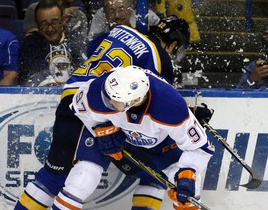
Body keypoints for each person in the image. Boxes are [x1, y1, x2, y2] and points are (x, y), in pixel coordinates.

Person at [14, 16, 213, 210]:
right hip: (98, 107)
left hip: (82, 98)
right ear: (173, 44)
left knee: (149, 173)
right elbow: (156, 98)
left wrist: (189, 115)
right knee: (69, 177)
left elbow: (92, 50)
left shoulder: (121, 30)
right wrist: (102, 127)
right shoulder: (157, 56)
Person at [52, 66, 214, 210]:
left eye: (115, 100)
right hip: (115, 133)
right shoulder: (98, 89)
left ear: (136, 100)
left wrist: (188, 172)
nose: (108, 101)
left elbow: (200, 148)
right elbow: (81, 109)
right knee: (83, 177)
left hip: (159, 141)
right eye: (109, 96)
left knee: (189, 191)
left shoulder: (170, 106)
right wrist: (102, 129)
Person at [18, 0, 87, 86]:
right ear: (37, 25)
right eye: (44, 24)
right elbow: (33, 75)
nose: (50, 29)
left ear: (62, 21)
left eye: (54, 22)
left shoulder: (75, 40)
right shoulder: (30, 44)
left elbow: (83, 71)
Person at [88, 0, 160, 41]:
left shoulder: (145, 15)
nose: (117, 15)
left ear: (131, 7)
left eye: (121, 9)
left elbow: (164, 38)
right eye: (111, 11)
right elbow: (92, 41)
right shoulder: (101, 14)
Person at [23, 0, 88, 38]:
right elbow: (31, 44)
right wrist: (59, 17)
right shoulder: (36, 10)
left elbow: (80, 48)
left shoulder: (79, 16)